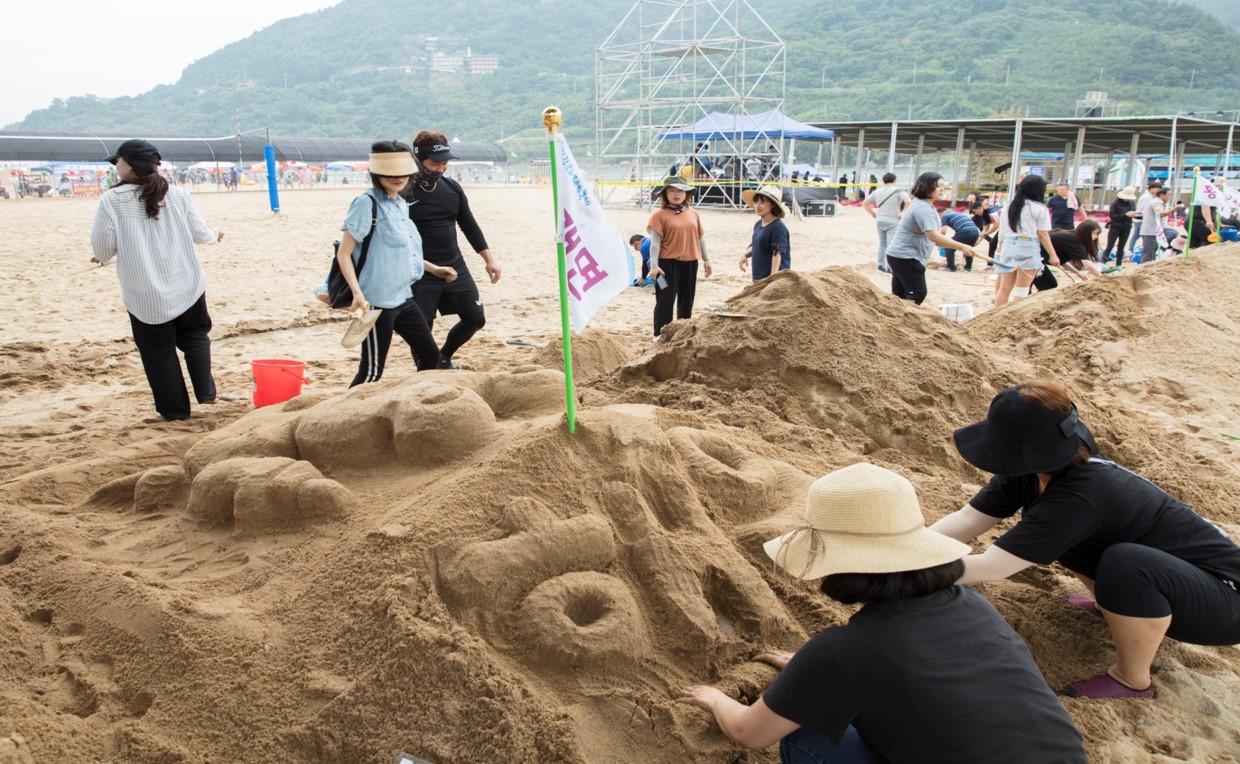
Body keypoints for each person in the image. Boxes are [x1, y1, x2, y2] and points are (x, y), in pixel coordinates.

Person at [681, 463, 1088, 763]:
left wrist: (715, 699)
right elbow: (920, 672)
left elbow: (748, 732)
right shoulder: (974, 607)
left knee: (805, 738)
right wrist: (809, 671)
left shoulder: (844, 650)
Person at [932, 381, 1240, 698]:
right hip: (1180, 580)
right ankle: (1116, 607)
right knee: (1075, 541)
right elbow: (969, 519)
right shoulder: (1034, 471)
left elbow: (995, 566)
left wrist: (915, 573)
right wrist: (911, 549)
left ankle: (1132, 679)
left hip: (1225, 603)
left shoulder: (1083, 493)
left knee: (1126, 563)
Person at [90, 139, 224, 421]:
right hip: (187, 283)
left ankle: (175, 412)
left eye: (118, 160)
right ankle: (206, 391)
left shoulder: (111, 200)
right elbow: (201, 234)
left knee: (158, 352)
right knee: (195, 336)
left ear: (131, 164)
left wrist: (109, 256)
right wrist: (216, 233)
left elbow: (102, 250)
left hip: (144, 294)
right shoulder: (178, 194)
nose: (116, 165)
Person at [336, 141, 457, 387]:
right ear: (376, 174)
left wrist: (433, 269)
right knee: (371, 372)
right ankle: (345, 419)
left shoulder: (401, 204)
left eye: (403, 173)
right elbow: (344, 254)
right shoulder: (365, 204)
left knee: (431, 356)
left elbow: (403, 252)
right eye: (390, 174)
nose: (398, 178)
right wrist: (358, 294)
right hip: (376, 301)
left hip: (403, 296)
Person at [403, 131, 501, 369]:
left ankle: (444, 356)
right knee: (422, 328)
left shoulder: (452, 188)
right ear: (418, 159)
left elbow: (468, 224)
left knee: (475, 319)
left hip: (455, 266)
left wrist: (489, 259)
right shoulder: (403, 190)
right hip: (419, 270)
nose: (440, 169)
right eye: (434, 163)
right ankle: (426, 370)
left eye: (445, 163)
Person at [883, 172, 981, 306]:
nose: (942, 189)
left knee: (900, 296)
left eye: (943, 186)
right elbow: (933, 236)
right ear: (926, 186)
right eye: (938, 186)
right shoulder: (923, 208)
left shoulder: (924, 205)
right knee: (918, 293)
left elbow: (932, 236)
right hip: (906, 257)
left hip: (899, 255)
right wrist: (962, 246)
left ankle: (897, 322)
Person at [647, 176, 712, 339]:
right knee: (665, 299)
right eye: (672, 190)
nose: (677, 194)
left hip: (690, 264)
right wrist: (654, 266)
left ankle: (683, 333)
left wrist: (706, 259)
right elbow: (655, 243)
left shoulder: (693, 213)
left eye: (680, 191)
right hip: (666, 266)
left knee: (686, 299)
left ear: (687, 194)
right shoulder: (659, 215)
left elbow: (700, 238)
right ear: (665, 194)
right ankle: (659, 336)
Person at [994, 175, 1058, 307]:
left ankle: (996, 316)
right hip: (1028, 246)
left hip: (1008, 245)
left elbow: (1002, 231)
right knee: (1021, 290)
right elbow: (1043, 234)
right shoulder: (1039, 208)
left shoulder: (1008, 206)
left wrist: (1000, 247)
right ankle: (1014, 319)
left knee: (1004, 289)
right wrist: (1053, 255)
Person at [739, 185, 791, 281]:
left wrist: (771, 279)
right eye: (756, 202)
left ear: (773, 205)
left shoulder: (778, 227)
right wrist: (745, 255)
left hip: (775, 281)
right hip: (758, 279)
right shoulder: (758, 224)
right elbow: (756, 246)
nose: (757, 206)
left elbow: (777, 253)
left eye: (762, 202)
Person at [861, 172, 908, 274]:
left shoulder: (877, 191)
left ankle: (881, 265)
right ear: (895, 181)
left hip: (880, 220)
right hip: (893, 221)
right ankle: (889, 267)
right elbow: (909, 201)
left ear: (883, 181)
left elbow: (865, 204)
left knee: (882, 244)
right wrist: (902, 213)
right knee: (891, 245)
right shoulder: (898, 191)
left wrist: (874, 215)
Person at [1137, 186, 1183, 263]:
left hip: (1153, 231)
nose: (1170, 197)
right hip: (1151, 231)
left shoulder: (1157, 202)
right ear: (1162, 195)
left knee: (1151, 251)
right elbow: (1160, 214)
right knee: (1149, 252)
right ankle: (1145, 268)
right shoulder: (1156, 202)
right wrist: (1174, 209)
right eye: (1169, 195)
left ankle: (1147, 267)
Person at [1104, 186, 1139, 266]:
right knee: (1110, 245)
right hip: (1115, 226)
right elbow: (1113, 216)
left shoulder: (1132, 203)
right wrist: (1125, 215)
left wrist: (1136, 215)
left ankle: (1118, 264)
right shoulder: (1115, 204)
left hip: (1127, 227)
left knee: (1121, 247)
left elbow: (1134, 212)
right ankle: (1103, 262)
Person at [939, 207, 981, 272]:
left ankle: (951, 267)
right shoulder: (959, 214)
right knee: (968, 249)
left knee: (948, 247)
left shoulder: (945, 216)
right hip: (975, 232)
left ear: (941, 213)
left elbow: (943, 231)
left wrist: (939, 241)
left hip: (965, 232)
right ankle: (968, 268)